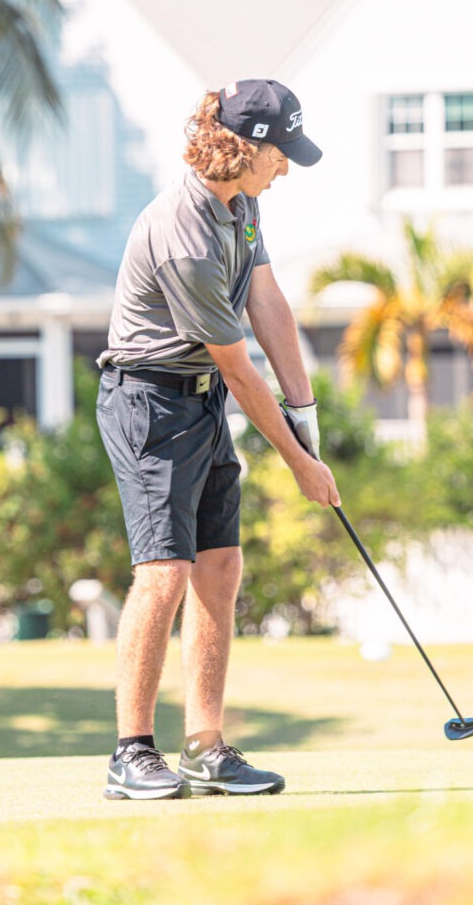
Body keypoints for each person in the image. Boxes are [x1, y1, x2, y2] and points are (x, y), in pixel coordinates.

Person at [96, 78, 341, 801]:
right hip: (148, 403)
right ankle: (130, 751)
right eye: (280, 154)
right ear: (247, 147)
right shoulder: (183, 236)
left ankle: (205, 745)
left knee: (221, 564)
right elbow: (236, 367)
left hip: (198, 402)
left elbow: (266, 300)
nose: (286, 168)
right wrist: (299, 463)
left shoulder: (242, 203)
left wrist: (306, 409)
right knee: (163, 571)